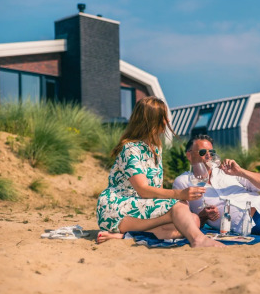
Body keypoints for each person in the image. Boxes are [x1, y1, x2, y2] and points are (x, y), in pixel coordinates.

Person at [96, 97, 224, 248]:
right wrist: (180, 194)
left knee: (194, 220)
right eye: (163, 118)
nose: (166, 122)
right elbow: (143, 190)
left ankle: (125, 236)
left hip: (142, 207)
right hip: (119, 209)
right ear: (151, 121)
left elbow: (156, 190)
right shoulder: (131, 149)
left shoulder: (156, 148)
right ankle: (198, 240)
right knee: (180, 206)